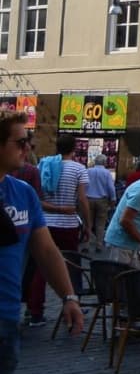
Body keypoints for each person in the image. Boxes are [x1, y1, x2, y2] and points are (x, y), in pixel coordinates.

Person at [0, 111, 84, 374]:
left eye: (30, 141)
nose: (28, 148)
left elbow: (46, 251)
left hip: (7, 318)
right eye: (21, 142)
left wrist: (69, 296)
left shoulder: (23, 193)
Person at [30, 134, 89, 323]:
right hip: (68, 224)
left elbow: (37, 197)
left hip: (45, 223)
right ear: (74, 148)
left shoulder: (43, 166)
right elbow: (81, 199)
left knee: (41, 267)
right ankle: (71, 307)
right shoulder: (79, 169)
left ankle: (35, 310)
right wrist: (87, 224)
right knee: (70, 266)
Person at [84, 153, 117, 252]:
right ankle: (98, 244)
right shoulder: (107, 173)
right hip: (102, 200)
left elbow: (84, 184)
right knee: (100, 223)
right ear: (104, 163)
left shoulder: (88, 171)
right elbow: (111, 188)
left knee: (88, 222)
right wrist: (113, 200)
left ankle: (87, 244)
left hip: (88, 199)